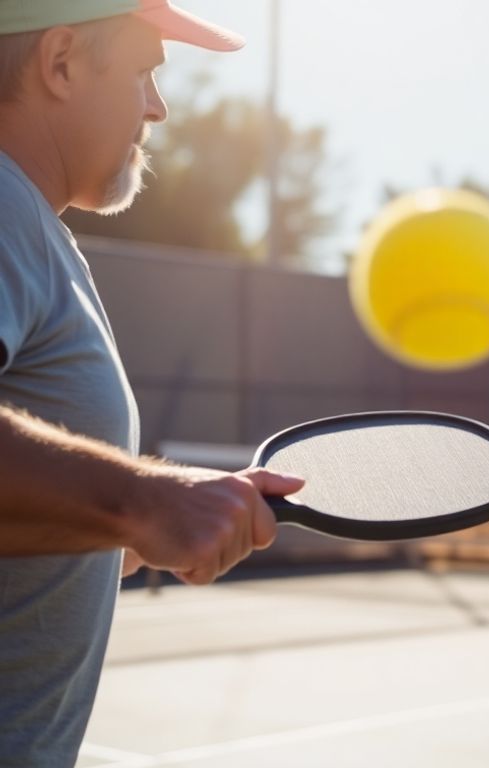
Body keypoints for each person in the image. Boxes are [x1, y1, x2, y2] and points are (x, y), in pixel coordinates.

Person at [0, 3, 305, 765]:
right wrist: (145, 500)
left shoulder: (38, 233)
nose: (158, 107)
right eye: (144, 72)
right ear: (61, 62)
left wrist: (119, 530)